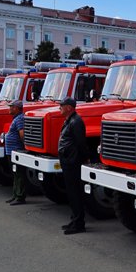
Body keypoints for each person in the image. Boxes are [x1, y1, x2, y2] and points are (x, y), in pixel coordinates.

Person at [58, 97, 89, 235]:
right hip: (67, 160)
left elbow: (81, 143)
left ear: (69, 107)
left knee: (75, 193)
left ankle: (79, 223)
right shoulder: (70, 120)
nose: (60, 108)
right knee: (71, 193)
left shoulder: (76, 122)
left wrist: (84, 158)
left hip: (73, 162)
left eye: (62, 106)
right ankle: (74, 220)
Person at [4, 100, 27, 205]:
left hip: (16, 149)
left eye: (12, 107)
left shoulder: (19, 119)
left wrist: (24, 146)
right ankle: (15, 194)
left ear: (17, 108)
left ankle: (20, 196)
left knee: (19, 174)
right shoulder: (16, 119)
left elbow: (22, 134)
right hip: (11, 150)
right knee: (15, 174)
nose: (10, 108)